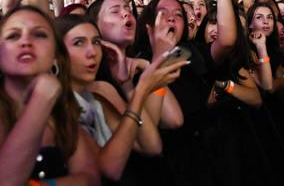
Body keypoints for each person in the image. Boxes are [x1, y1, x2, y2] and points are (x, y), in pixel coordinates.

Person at [0, 6, 100, 185]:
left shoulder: (60, 108)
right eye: (13, 36)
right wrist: (41, 100)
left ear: (55, 57)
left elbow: (89, 177)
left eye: (39, 35)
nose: (26, 42)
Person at [56, 14, 187, 182]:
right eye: (78, 43)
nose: (91, 52)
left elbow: (151, 145)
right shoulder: (55, 106)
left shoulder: (96, 102)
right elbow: (109, 169)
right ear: (56, 53)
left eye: (96, 42)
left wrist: (127, 86)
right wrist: (141, 91)